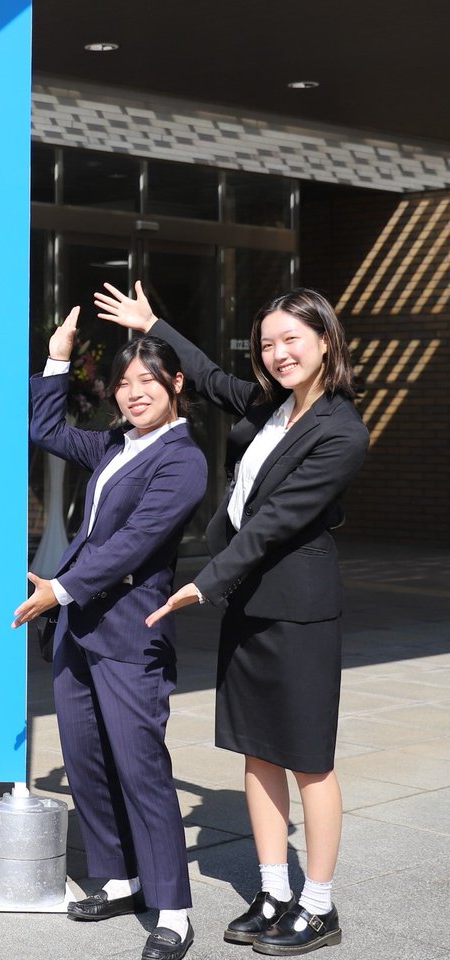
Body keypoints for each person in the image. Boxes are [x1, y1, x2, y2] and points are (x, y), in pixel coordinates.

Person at [95, 281, 369, 956]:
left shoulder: (342, 431)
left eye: (291, 340)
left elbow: (275, 524)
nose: (278, 354)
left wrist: (204, 583)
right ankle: (273, 891)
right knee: (258, 749)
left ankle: (318, 905)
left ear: (325, 341)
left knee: (309, 760)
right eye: (268, 343)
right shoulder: (272, 406)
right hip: (251, 603)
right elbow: (214, 379)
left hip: (299, 610)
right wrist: (154, 325)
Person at [14, 306, 208, 960]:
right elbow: (43, 427)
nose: (133, 393)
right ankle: (121, 877)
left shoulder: (183, 461)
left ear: (176, 383)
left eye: (147, 380)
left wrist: (58, 590)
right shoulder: (114, 445)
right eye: (124, 383)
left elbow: (134, 542)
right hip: (79, 628)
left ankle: (173, 908)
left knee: (140, 766)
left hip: (129, 632)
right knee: (86, 758)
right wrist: (58, 356)